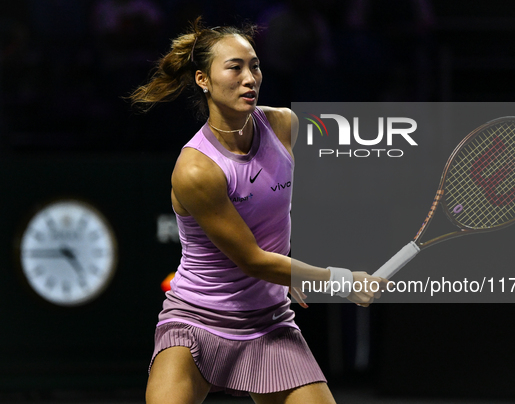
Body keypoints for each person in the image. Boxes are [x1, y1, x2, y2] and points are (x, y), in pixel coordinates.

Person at [128, 17, 385, 404]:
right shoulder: (198, 169)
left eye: (255, 65)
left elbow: (280, 208)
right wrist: (342, 281)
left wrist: (293, 268)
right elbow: (252, 260)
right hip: (197, 320)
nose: (250, 77)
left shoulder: (284, 124)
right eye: (234, 67)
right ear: (203, 80)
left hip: (269, 322)